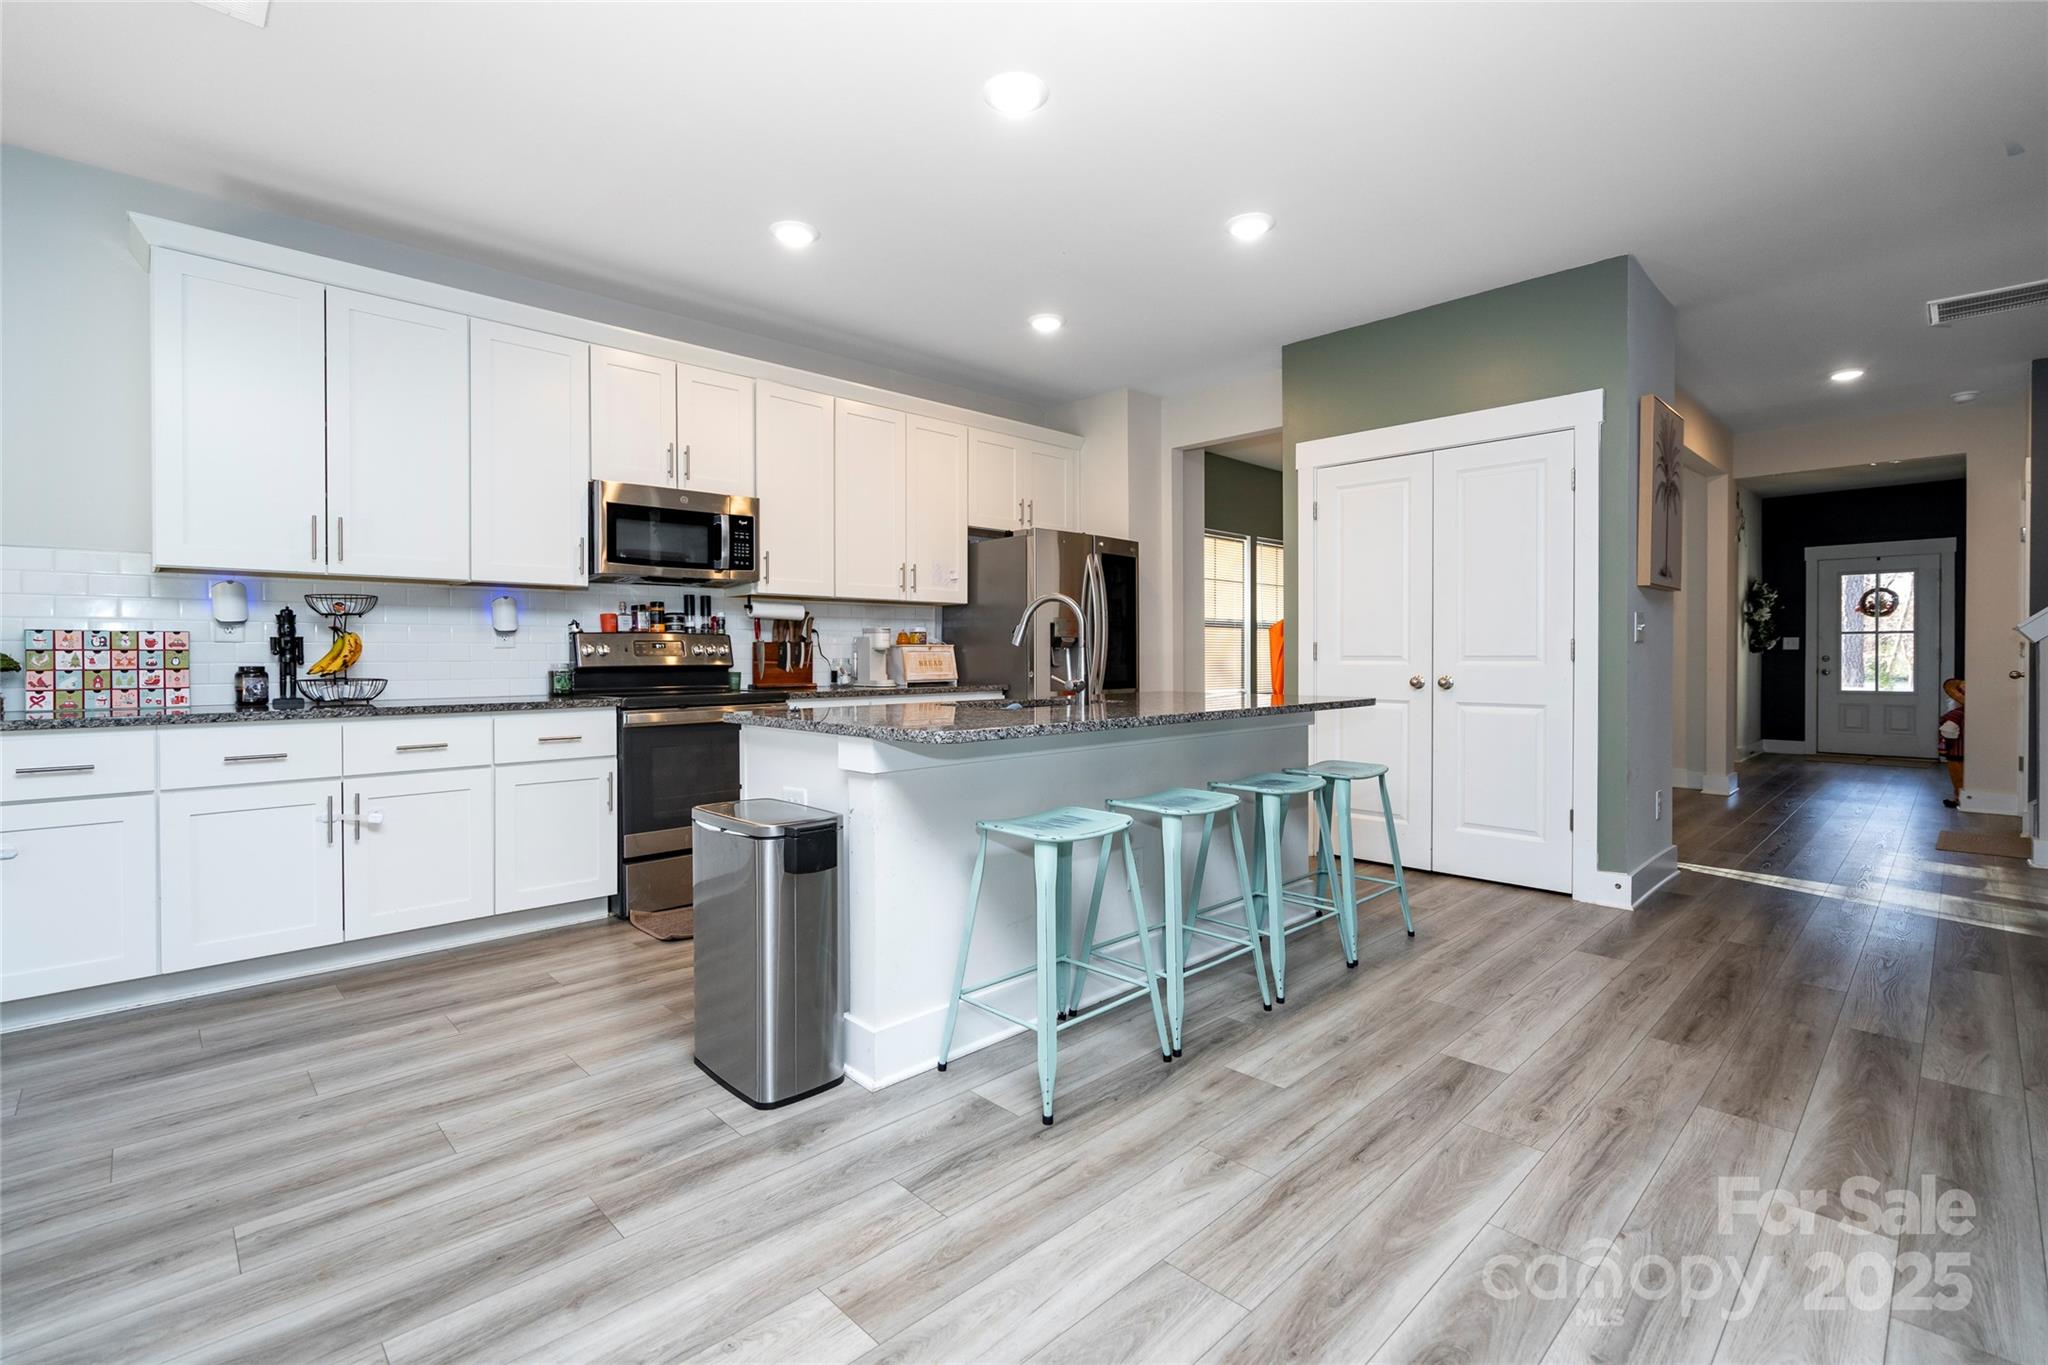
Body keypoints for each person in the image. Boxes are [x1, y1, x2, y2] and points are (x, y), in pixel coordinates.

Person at [1938, 677, 1965, 808]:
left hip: (1956, 750)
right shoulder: (1968, 713)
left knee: (1957, 775)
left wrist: (1946, 744)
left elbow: (1948, 731)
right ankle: (1960, 797)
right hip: (1965, 749)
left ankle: (1959, 798)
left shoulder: (1956, 714)